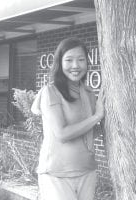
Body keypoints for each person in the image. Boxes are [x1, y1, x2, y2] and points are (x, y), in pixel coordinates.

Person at [31, 37, 105, 200]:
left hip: (87, 171)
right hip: (56, 175)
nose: (75, 66)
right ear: (60, 63)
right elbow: (62, 134)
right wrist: (98, 116)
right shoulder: (51, 92)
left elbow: (89, 132)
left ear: (87, 62)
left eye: (81, 60)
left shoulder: (89, 93)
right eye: (69, 60)